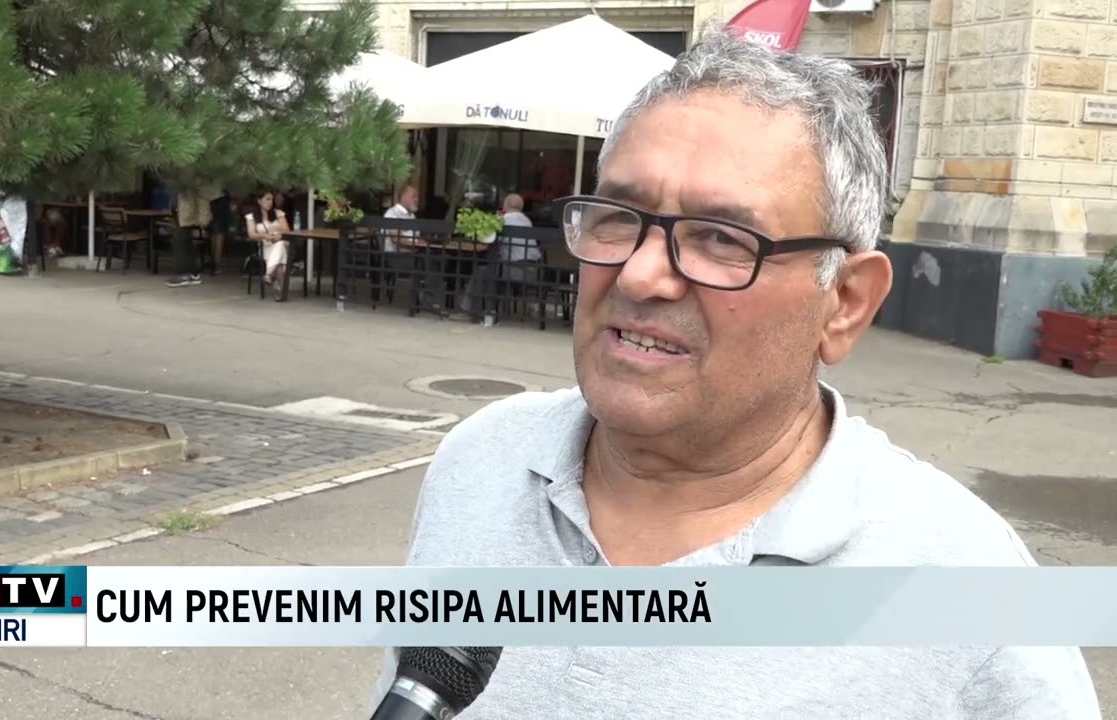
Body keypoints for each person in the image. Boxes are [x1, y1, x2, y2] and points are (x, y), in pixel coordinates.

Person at [370, 22, 1102, 719]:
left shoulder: (966, 588)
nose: (641, 274)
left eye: (722, 238)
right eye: (617, 216)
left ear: (845, 303)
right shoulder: (481, 463)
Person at [245, 188, 289, 301]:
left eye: (272, 199)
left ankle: (268, 274)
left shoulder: (278, 213)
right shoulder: (251, 216)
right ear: (259, 201)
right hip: (264, 246)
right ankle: (282, 291)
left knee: (280, 245)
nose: (270, 202)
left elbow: (286, 230)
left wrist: (278, 235)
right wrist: (265, 236)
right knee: (280, 263)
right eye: (267, 199)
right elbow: (251, 234)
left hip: (280, 242)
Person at [166, 186, 213, 288]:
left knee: (180, 241)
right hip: (184, 214)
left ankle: (183, 273)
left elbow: (203, 197)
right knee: (186, 243)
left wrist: (203, 218)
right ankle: (193, 273)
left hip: (190, 215)